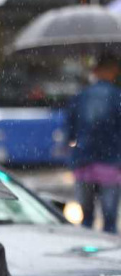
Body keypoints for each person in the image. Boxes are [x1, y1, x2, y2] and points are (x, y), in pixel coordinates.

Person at [66, 54, 121, 233]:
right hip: (111, 165)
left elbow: (70, 130)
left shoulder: (81, 96)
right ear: (113, 71)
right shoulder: (117, 96)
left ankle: (86, 255)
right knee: (110, 219)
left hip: (83, 163)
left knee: (86, 219)